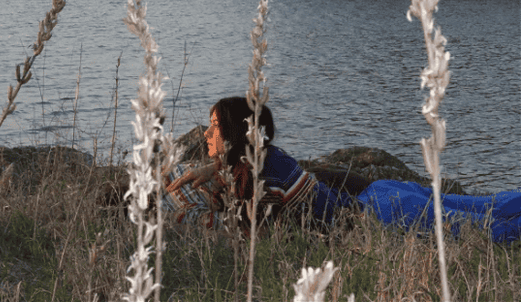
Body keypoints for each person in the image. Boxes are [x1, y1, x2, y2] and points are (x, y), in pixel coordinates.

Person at [164, 97, 521, 243]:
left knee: (491, 230)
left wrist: (200, 189)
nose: (207, 134)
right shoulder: (261, 162)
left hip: (384, 213)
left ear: (236, 134)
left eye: (214, 126)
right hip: (380, 195)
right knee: (487, 207)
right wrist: (211, 170)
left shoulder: (266, 172)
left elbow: (242, 224)